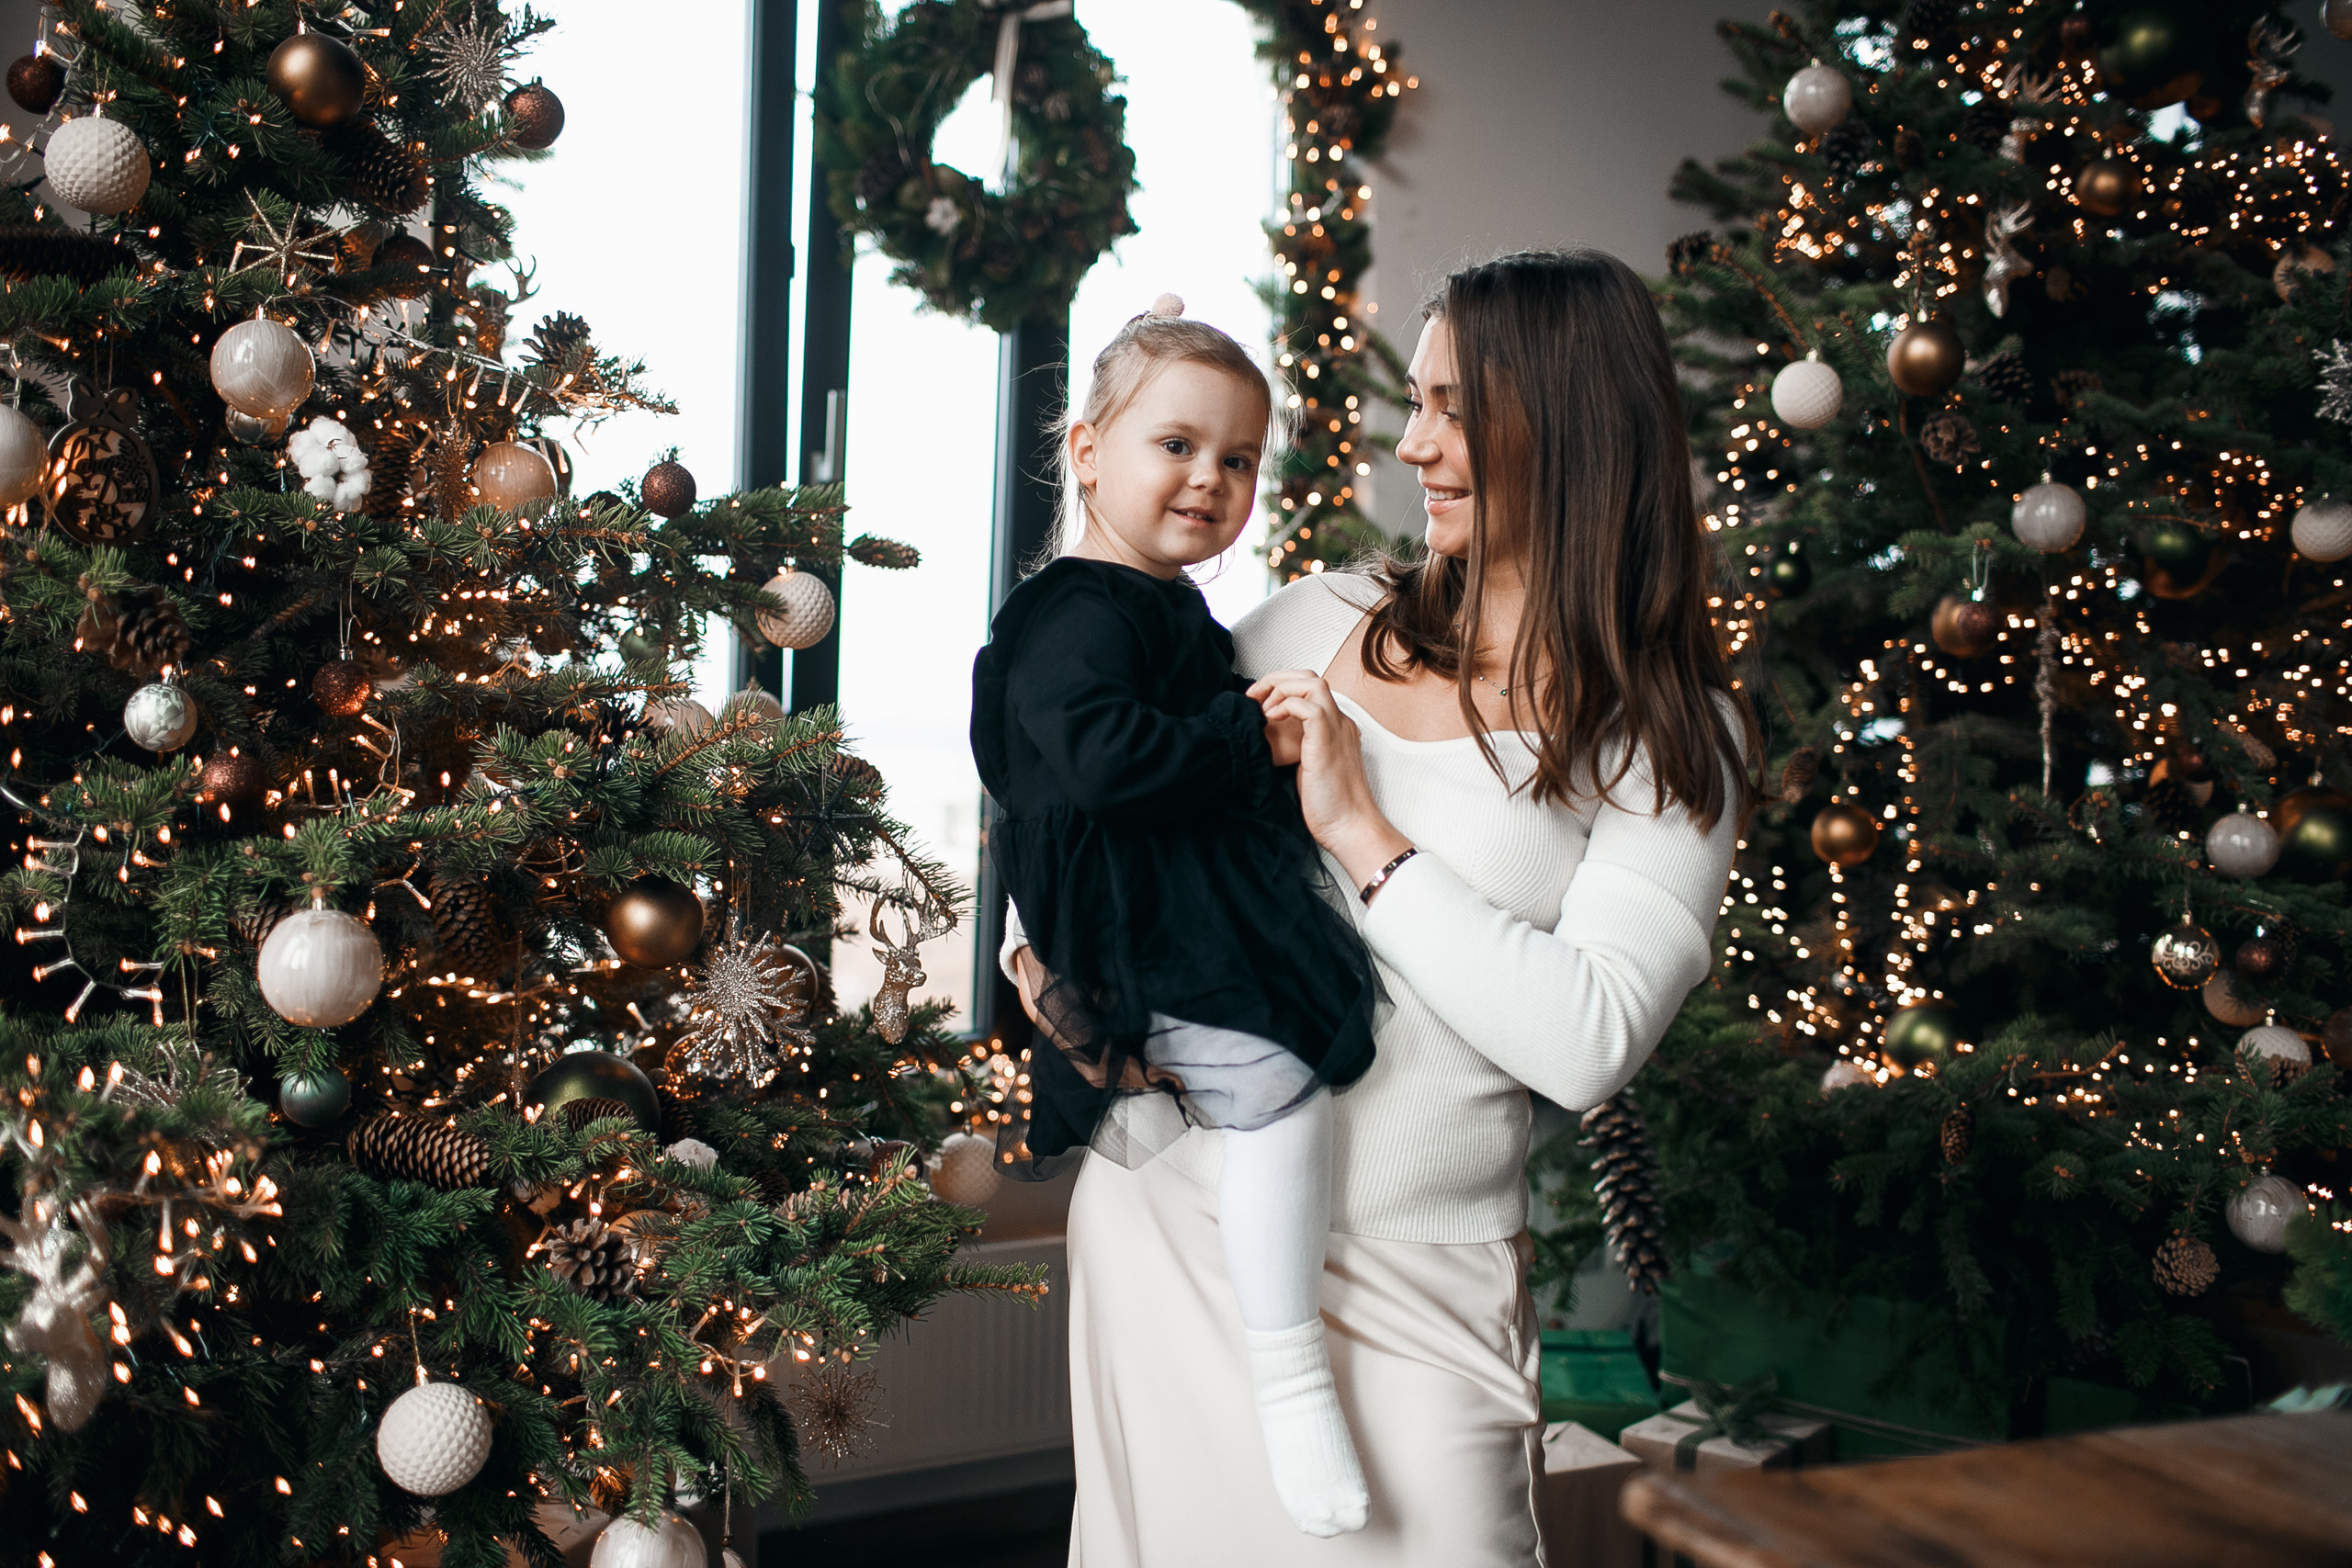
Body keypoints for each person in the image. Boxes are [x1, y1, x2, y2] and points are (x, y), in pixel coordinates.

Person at [1025, 250, 1758, 1565]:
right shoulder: (1314, 619)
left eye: (1454, 409)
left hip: (1420, 1281)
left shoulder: (1673, 734)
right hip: (1178, 1226)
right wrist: (1049, 978)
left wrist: (1364, 830)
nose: (1414, 445)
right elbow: (1092, 803)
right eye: (1415, 404)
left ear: (1576, 426)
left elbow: (1586, 1040)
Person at [969, 297, 1383, 1537]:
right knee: (1276, 1090)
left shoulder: (1165, 607)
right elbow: (1092, 762)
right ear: (1088, 452)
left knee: (1272, 1068)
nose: (1211, 479)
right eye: (1177, 446)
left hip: (1173, 907)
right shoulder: (1072, 613)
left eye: (1240, 459)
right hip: (1132, 924)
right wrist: (1246, 730)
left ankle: (1187, 1204)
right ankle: (1289, 1372)